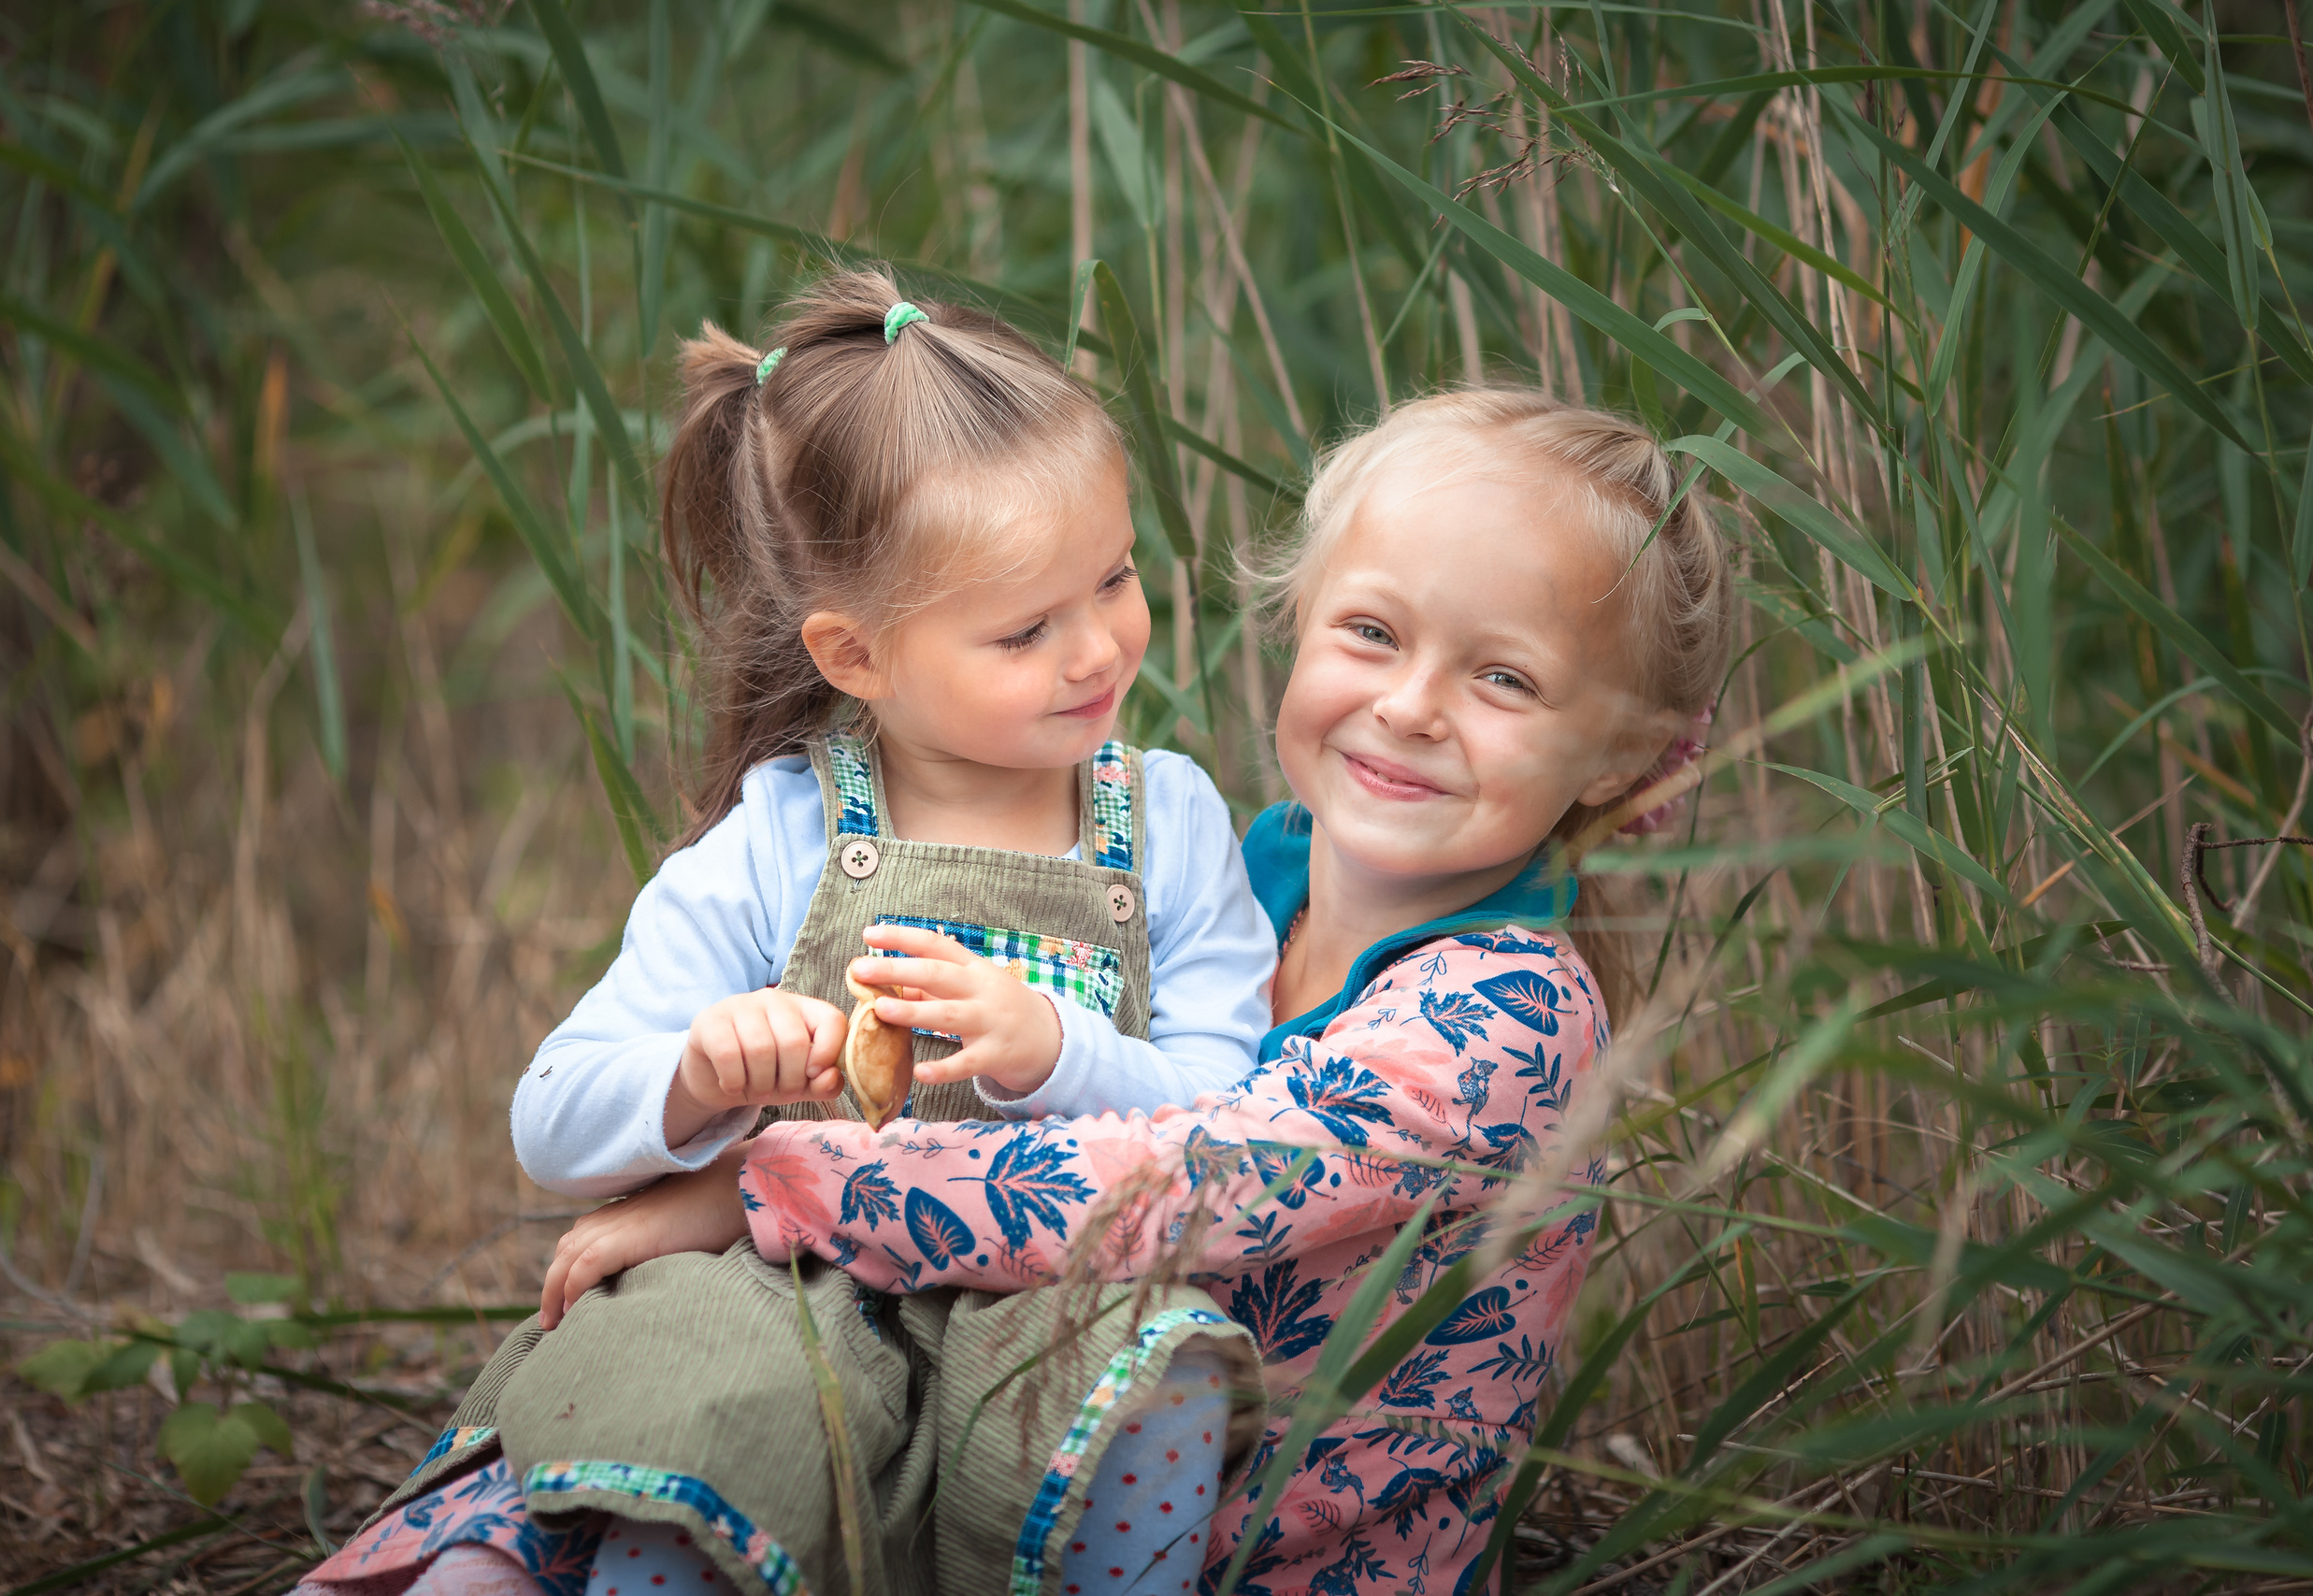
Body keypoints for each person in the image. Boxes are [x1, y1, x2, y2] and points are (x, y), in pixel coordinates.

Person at [530, 387, 1733, 1595]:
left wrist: (759, 1188)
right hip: (1052, 1483)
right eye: (1372, 632)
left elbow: (1166, 1188)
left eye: (1506, 681)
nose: (1411, 706)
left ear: (1627, 752)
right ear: (1299, 620)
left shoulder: (1508, 1016)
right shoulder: (1235, 887)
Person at [296, 271, 1276, 1596]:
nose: (1099, 648)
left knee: (1149, 1375)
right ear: (856, 655)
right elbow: (553, 1111)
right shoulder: (785, 833)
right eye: (1024, 629)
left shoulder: (1167, 821)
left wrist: (1057, 1049)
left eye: (1114, 579)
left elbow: (1231, 1115)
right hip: (797, 1285)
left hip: (1048, 1291)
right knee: (701, 1394)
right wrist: (702, 1073)